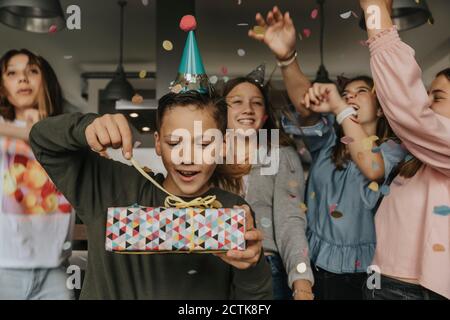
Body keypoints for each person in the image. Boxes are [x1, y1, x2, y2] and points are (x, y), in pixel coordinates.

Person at [249, 6, 406, 299]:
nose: (349, 97)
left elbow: (372, 165)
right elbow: (306, 108)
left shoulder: (395, 149)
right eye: (346, 94)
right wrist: (286, 58)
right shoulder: (328, 142)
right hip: (315, 268)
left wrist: (340, 106)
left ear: (382, 108)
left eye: (361, 92)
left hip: (367, 276)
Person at [360, 0, 449, 300]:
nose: (426, 102)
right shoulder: (419, 154)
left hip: (410, 290)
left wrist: (374, 9)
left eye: (437, 96)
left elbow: (410, 110)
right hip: (378, 278)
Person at [218, 72, 314, 300]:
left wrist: (302, 283)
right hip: (214, 267)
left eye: (257, 103)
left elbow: (290, 221)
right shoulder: (207, 156)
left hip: (265, 266)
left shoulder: (282, 156)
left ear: (264, 115)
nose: (248, 108)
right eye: (237, 101)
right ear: (222, 112)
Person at [0, 49, 74, 300]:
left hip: (54, 268)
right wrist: (34, 131)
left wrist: (43, 129)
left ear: (46, 81)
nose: (23, 79)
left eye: (32, 71)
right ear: (2, 85)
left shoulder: (66, 130)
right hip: (3, 267)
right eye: (12, 73)